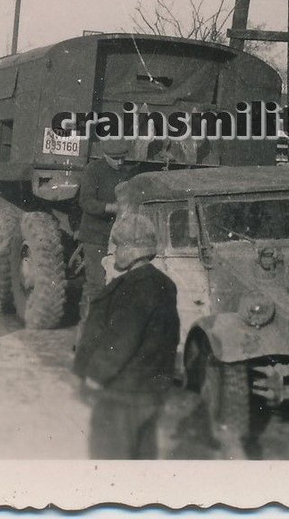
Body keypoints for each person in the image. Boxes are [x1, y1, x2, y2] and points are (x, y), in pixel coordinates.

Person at [73, 213, 180, 459]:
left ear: (130, 250)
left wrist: (94, 376)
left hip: (122, 397)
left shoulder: (132, 289)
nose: (115, 252)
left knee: (111, 465)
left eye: (118, 246)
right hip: (152, 393)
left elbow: (120, 341)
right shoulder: (165, 284)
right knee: (142, 462)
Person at [77, 139, 136, 318]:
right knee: (96, 284)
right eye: (115, 158)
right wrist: (111, 208)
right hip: (95, 236)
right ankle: (88, 326)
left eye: (123, 158)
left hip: (117, 237)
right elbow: (86, 202)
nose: (120, 162)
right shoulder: (93, 170)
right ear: (105, 155)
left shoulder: (125, 173)